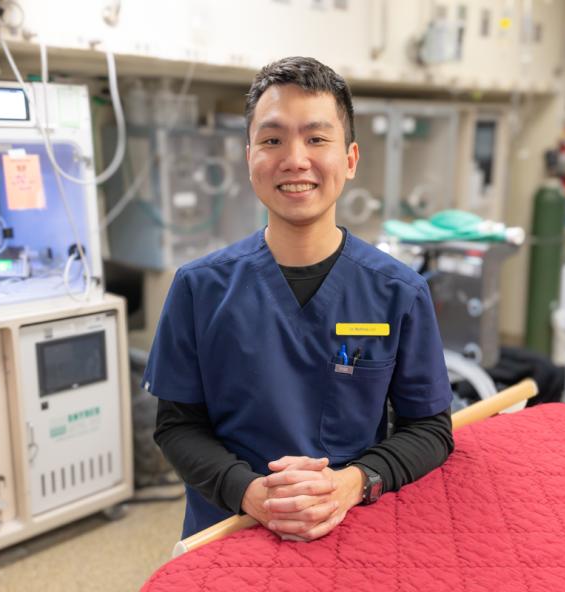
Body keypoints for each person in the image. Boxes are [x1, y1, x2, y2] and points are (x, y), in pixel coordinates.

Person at [144, 56, 454, 542]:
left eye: (316, 138)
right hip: (230, 528)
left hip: (352, 527)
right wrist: (250, 493)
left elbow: (431, 429)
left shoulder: (398, 292)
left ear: (350, 159)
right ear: (249, 157)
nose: (295, 159)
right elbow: (177, 427)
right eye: (272, 140)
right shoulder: (198, 288)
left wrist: (353, 483)